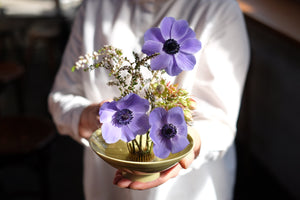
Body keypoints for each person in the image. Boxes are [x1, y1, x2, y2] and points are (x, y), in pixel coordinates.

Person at [48, 0, 250, 199]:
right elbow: (61, 99)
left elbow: (220, 122)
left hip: (188, 190)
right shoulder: (94, 6)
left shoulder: (218, 7)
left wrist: (188, 147)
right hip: (106, 184)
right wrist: (91, 116)